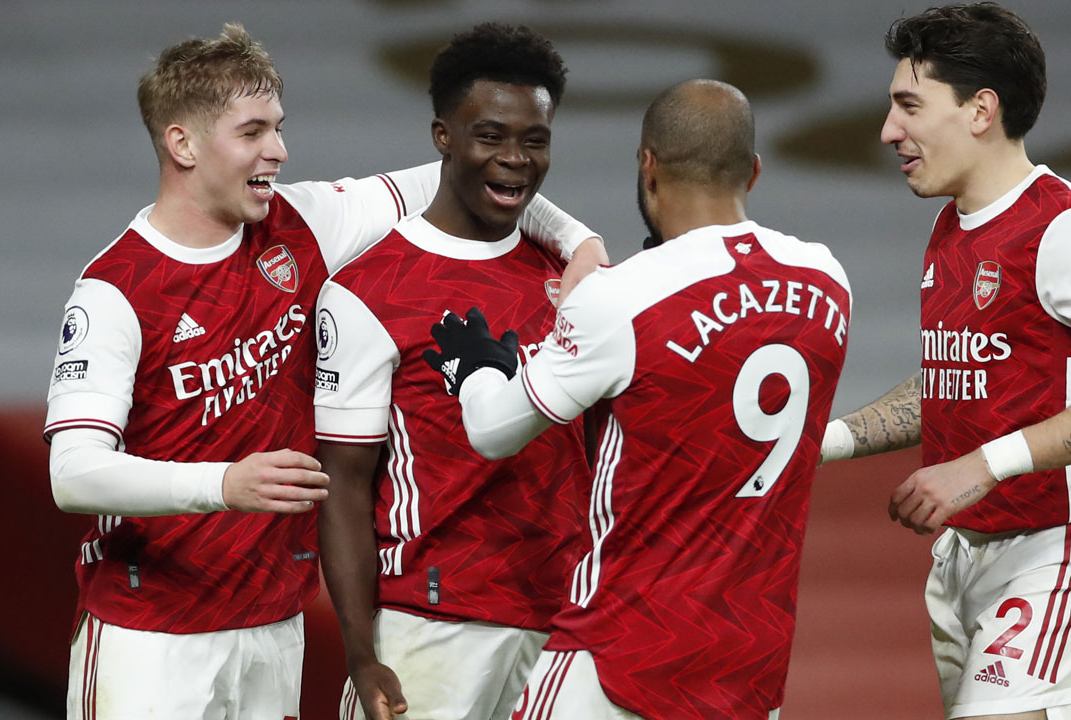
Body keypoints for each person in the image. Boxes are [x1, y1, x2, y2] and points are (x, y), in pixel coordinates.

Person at [44, 24, 603, 719]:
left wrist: (580, 243)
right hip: (149, 633)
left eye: (278, 128)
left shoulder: (303, 222)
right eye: (253, 133)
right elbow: (73, 474)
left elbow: (478, 172)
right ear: (182, 144)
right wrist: (224, 484)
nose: (278, 151)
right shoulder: (114, 290)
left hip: (274, 624)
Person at [424, 79, 852, 720]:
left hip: (619, 652)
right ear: (754, 171)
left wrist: (480, 368)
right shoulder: (826, 278)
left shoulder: (624, 297)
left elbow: (491, 431)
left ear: (648, 166)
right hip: (750, 661)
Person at [817, 4, 1071, 719]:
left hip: (1060, 550)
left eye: (909, 106)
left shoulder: (1069, 228)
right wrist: (820, 443)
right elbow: (958, 382)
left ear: (981, 110)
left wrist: (981, 466)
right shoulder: (951, 226)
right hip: (964, 559)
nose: (888, 130)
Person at [313, 23, 594, 720]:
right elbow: (343, 485)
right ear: (443, 136)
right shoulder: (368, 291)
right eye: (490, 136)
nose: (515, 160)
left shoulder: (572, 276)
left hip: (567, 622)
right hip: (432, 625)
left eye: (535, 140)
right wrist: (360, 652)